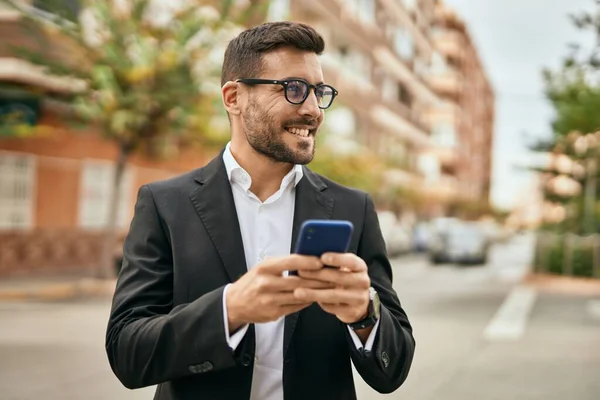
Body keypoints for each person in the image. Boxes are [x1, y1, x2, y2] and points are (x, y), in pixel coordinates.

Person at [105, 21, 415, 400]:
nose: (313, 110)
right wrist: (230, 310)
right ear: (234, 97)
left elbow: (393, 370)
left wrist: (364, 314)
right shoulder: (166, 204)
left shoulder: (353, 209)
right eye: (294, 89)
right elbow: (127, 353)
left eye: (319, 92)